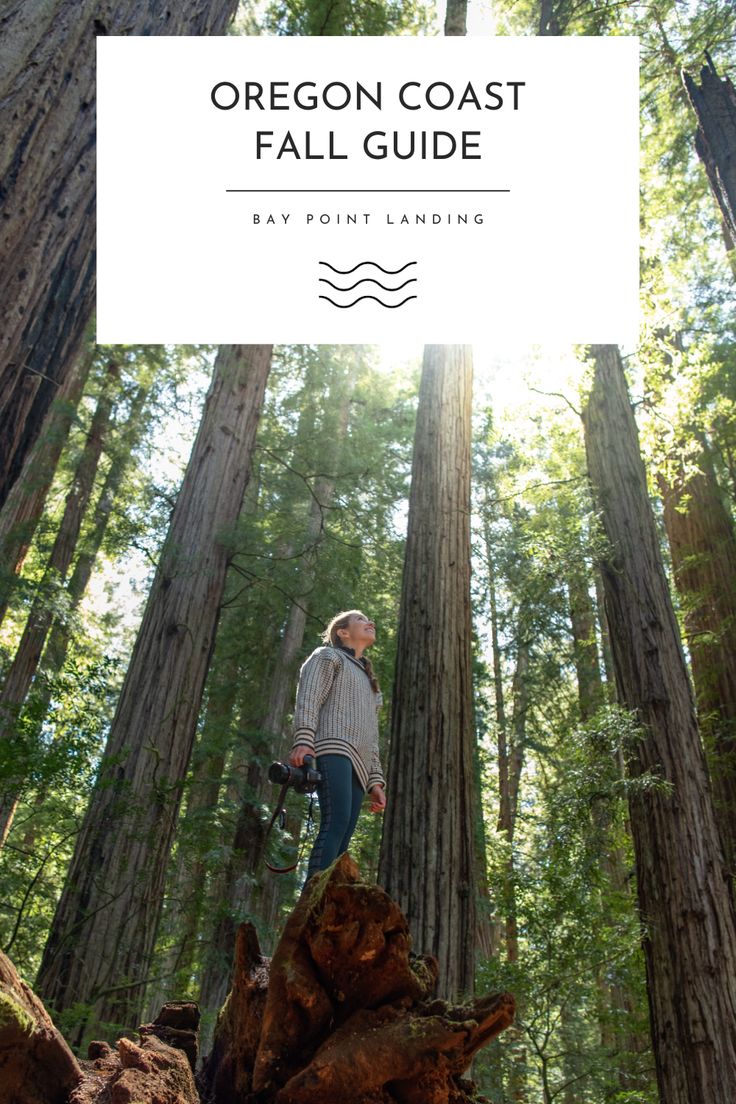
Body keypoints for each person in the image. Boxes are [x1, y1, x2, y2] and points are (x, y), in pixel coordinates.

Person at [289, 609, 387, 880]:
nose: (370, 621)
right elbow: (309, 698)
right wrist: (304, 740)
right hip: (333, 747)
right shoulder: (328, 656)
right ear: (342, 632)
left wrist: (375, 782)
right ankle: (313, 900)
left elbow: (372, 736)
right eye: (360, 619)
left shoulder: (370, 683)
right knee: (336, 822)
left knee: (344, 835)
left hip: (360, 763)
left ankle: (329, 899)